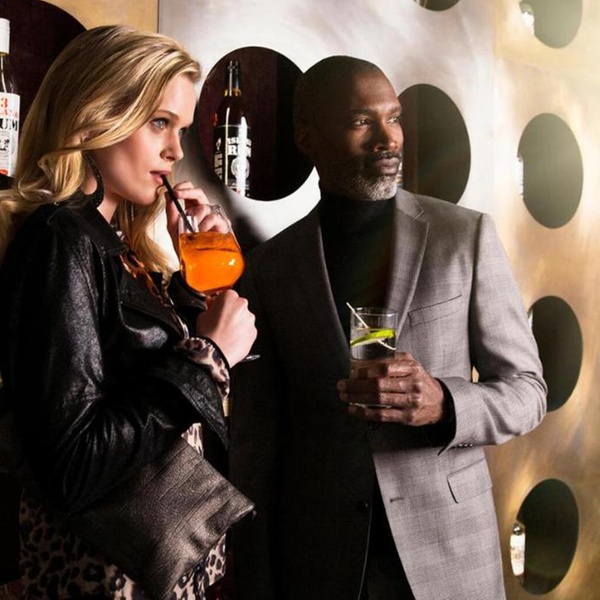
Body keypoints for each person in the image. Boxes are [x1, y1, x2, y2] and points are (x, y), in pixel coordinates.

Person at [229, 55, 547, 600]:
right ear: (307, 137)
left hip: (449, 559)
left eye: (394, 117)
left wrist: (445, 404)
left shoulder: (463, 237)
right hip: (320, 565)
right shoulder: (269, 269)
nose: (388, 139)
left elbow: (529, 392)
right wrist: (255, 578)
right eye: (362, 121)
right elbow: (257, 443)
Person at [0, 25, 257, 600]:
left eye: (181, 130)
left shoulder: (112, 243)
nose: (176, 152)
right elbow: (74, 465)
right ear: (95, 117)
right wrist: (209, 357)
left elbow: (138, 378)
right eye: (159, 122)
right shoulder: (60, 236)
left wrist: (194, 285)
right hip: (103, 580)